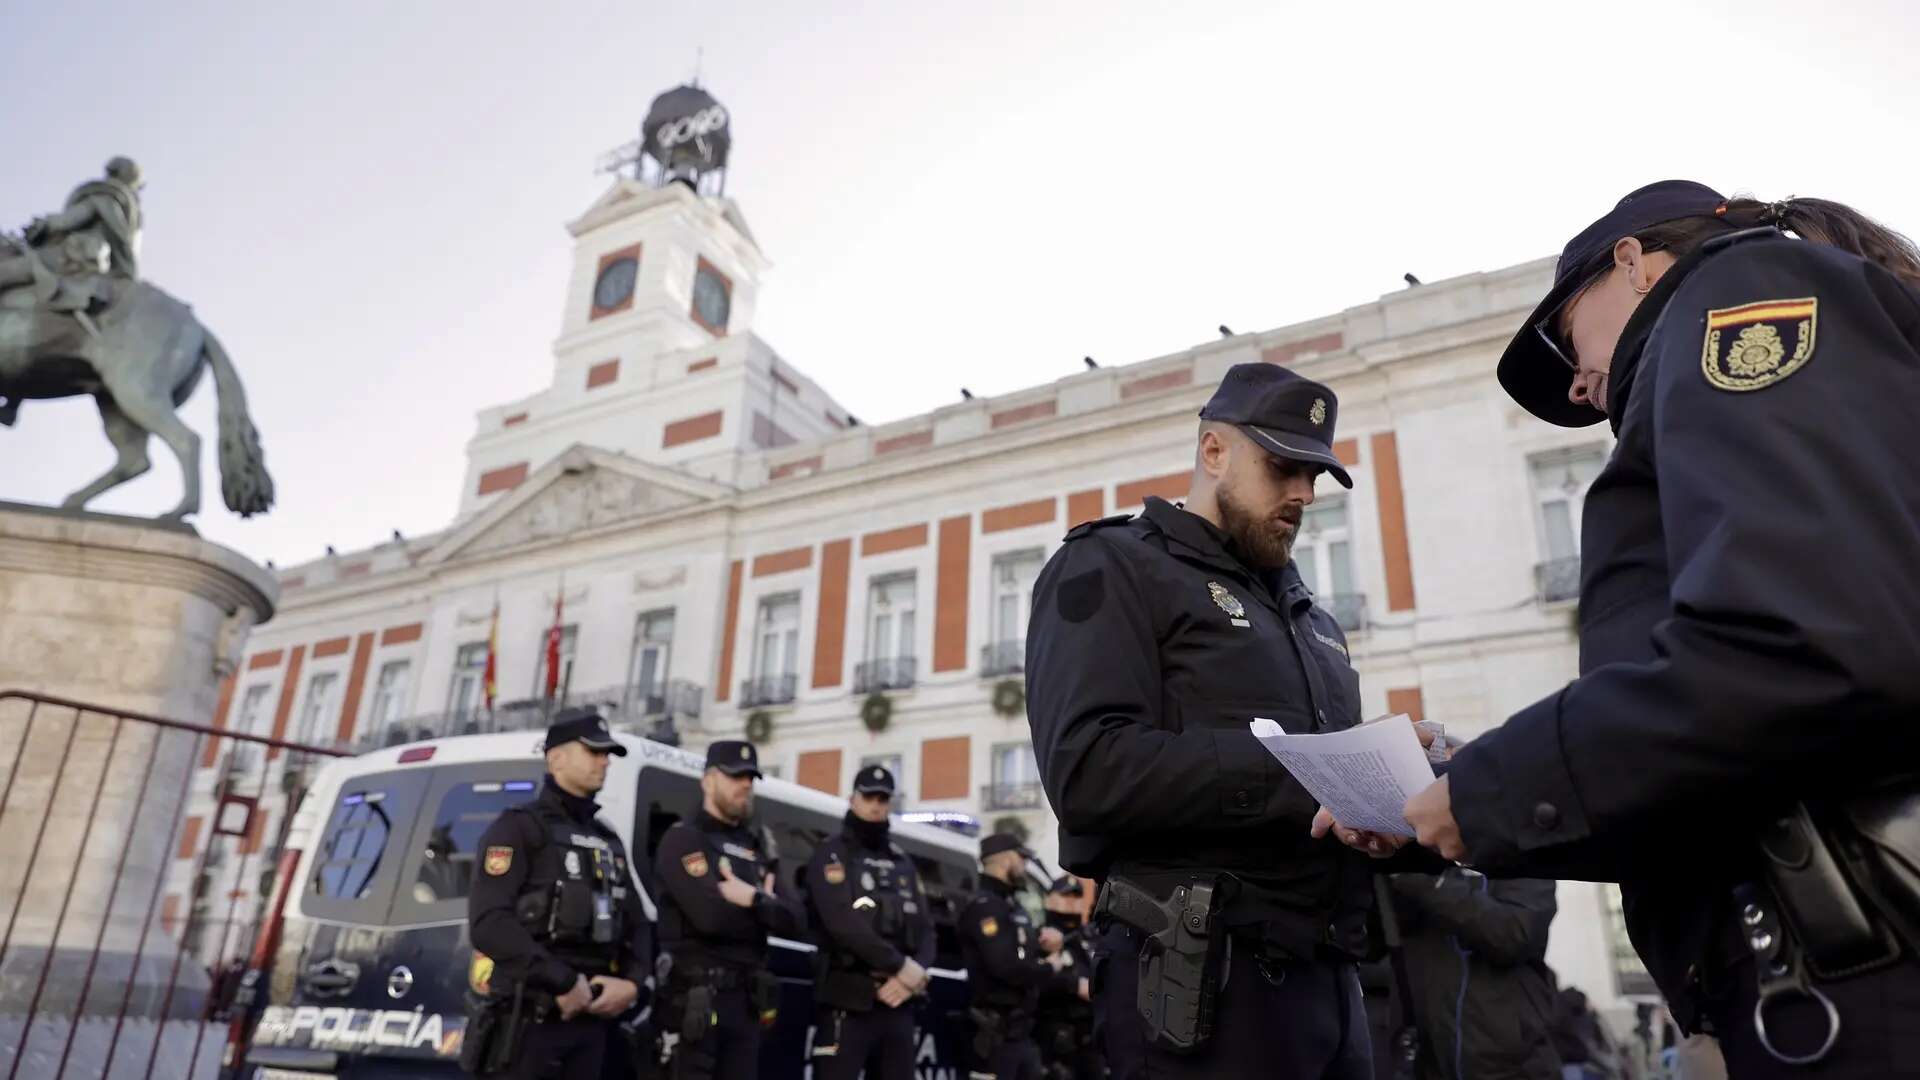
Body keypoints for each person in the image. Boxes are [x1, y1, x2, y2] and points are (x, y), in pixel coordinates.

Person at [1327, 181, 1920, 1076]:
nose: (1576, 379)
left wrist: (1491, 786)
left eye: (1568, 337)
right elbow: (1721, 752)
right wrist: (1443, 802)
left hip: (1869, 964)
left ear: (1635, 262)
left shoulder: (1741, 292)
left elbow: (1798, 642)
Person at [1027, 362, 1410, 1079]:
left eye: (1316, 474)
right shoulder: (1112, 566)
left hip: (1331, 988)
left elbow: (1330, 811)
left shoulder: (1312, 618)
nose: (1303, 492)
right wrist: (1307, 774)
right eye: (1282, 465)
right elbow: (1088, 770)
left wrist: (1398, 791)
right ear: (1213, 451)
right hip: (1199, 987)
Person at [464, 707, 649, 1079]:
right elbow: (489, 924)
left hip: (592, 1029)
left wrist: (631, 982)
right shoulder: (518, 828)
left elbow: (638, 925)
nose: (605, 763)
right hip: (530, 1023)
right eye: (593, 752)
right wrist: (563, 981)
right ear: (557, 758)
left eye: (607, 754)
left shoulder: (607, 840)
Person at [653, 739, 804, 1080]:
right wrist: (766, 913)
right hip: (695, 1001)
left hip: (746, 1003)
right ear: (708, 780)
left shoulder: (758, 847)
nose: (746, 785)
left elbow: (797, 922)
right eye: (736, 776)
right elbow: (710, 917)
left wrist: (752, 899)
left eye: (750, 778)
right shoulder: (685, 839)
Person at [802, 764, 935, 1080]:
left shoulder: (902, 862)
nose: (876, 805)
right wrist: (902, 967)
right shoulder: (832, 854)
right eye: (869, 797)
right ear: (853, 799)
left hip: (898, 1004)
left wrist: (912, 977)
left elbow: (927, 929)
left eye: (883, 798)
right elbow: (842, 924)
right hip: (848, 1002)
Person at [1376, 868, 1561, 1080]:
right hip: (1430, 1061)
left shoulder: (1523, 856)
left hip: (1515, 1065)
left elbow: (1514, 934)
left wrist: (1432, 884)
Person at [960, 834, 1083, 1080]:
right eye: (1022, 858)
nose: (1025, 866)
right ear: (1007, 860)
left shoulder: (1010, 905)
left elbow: (1018, 951)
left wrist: (1041, 942)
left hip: (1020, 1033)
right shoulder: (986, 906)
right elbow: (1006, 967)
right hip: (993, 1034)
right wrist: (1050, 967)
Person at [0, 156, 144, 316]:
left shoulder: (102, 197)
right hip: (100, 263)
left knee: (12, 270)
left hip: (75, 255)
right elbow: (127, 249)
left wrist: (45, 224)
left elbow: (70, 219)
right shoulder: (132, 217)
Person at [1033, 876, 1103, 1080]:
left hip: (1089, 1041)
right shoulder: (1040, 937)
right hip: (1054, 1039)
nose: (1072, 903)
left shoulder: (1089, 938)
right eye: (1065, 896)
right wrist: (1073, 984)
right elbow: (1032, 977)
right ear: (1049, 900)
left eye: (1077, 897)